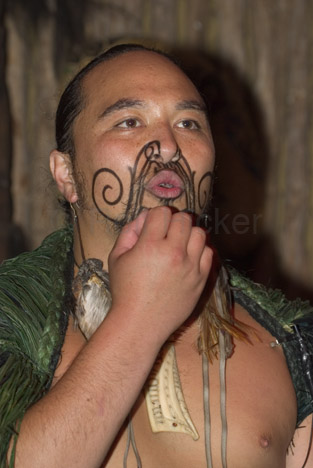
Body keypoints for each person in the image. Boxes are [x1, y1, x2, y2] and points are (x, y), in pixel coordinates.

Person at [0, 43, 312, 468]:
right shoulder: (10, 315)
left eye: (189, 123)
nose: (167, 145)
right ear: (67, 174)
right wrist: (140, 318)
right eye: (129, 122)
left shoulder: (292, 342)